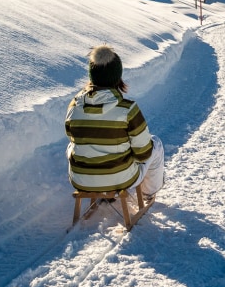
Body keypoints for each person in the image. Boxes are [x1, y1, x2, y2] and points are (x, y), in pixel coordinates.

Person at [65, 45, 164, 201]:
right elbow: (144, 152)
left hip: (80, 181)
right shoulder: (127, 109)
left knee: (73, 145)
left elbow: (72, 136)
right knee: (155, 144)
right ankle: (148, 193)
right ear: (117, 77)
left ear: (92, 76)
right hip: (120, 180)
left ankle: (99, 184)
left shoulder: (75, 105)